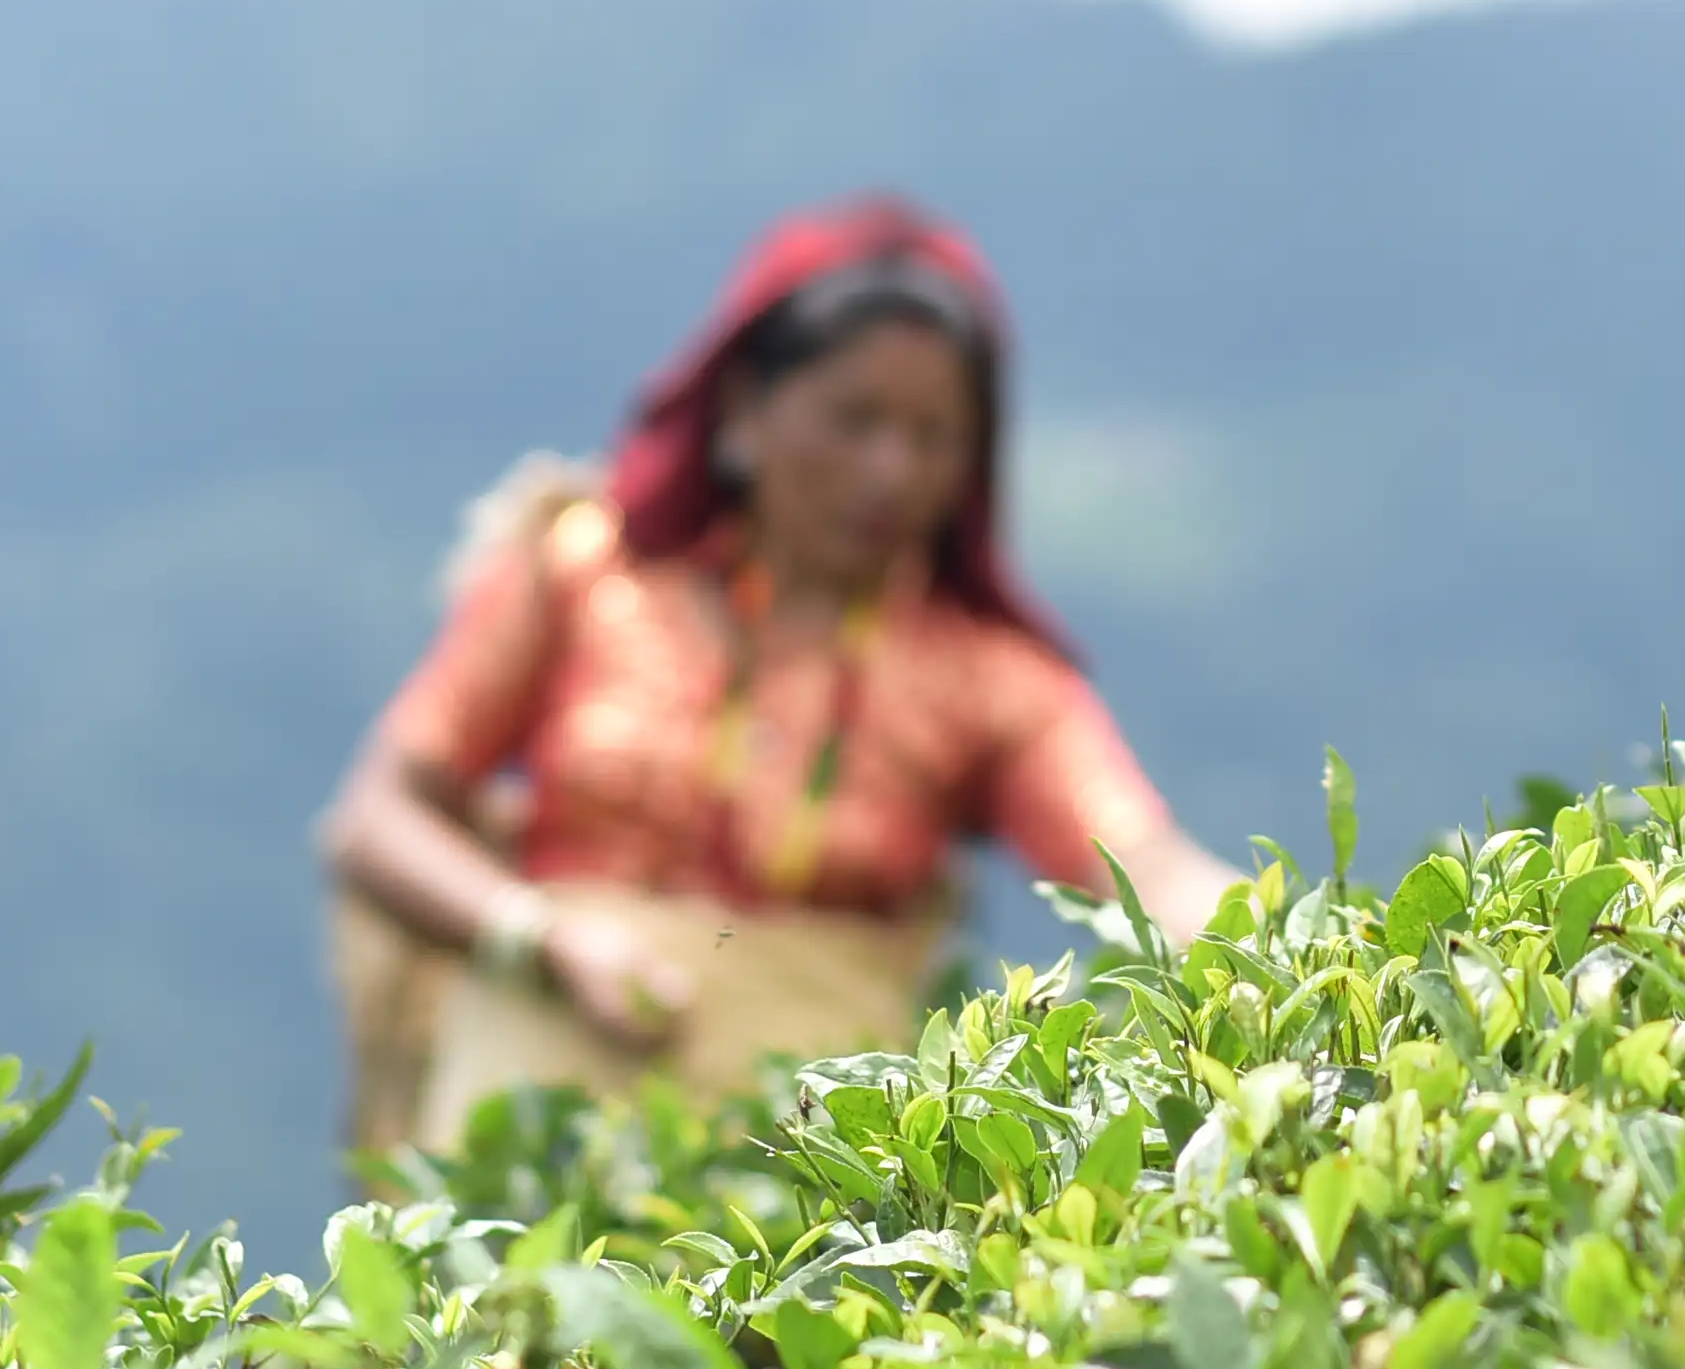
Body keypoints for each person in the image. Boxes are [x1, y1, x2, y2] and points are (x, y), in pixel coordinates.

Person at [322, 201, 1242, 1145]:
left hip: (804, 1160)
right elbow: (375, 819)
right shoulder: (585, 574)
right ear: (745, 411)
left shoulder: (987, 677)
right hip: (536, 1121)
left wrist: (1274, 950)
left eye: (934, 437)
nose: (892, 471)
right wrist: (541, 938)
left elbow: (1144, 865)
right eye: (854, 420)